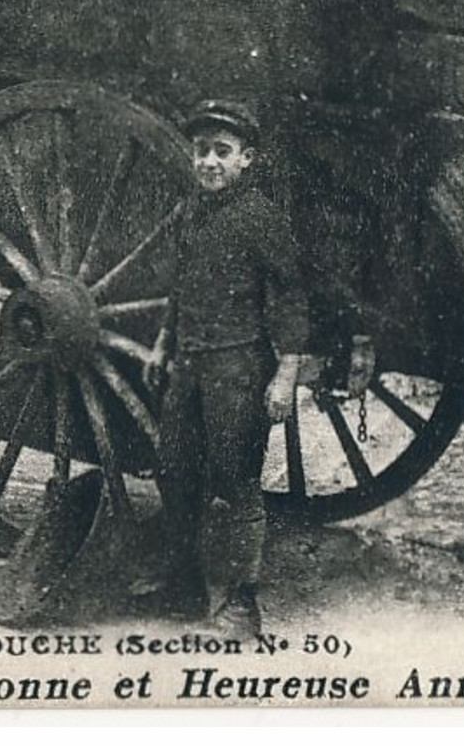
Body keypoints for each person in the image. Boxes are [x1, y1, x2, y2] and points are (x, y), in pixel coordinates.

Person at [144, 98, 310, 638]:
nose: (210, 162)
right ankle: (182, 585)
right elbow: (181, 287)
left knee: (237, 482)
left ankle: (242, 607)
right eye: (201, 152)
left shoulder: (260, 218)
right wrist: (162, 344)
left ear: (246, 159)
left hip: (238, 370)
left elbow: (289, 297)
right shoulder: (192, 211)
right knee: (175, 472)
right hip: (189, 365)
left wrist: (285, 373)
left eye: (222, 152)